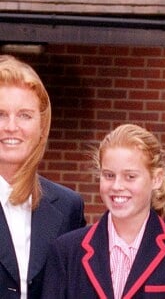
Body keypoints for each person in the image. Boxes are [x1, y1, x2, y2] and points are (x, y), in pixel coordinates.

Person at [41, 123, 165, 298]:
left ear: (156, 179)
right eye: (109, 175)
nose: (117, 186)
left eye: (130, 177)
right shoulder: (67, 251)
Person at [0, 54, 86, 299]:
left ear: (42, 125)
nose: (11, 127)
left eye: (25, 115)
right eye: (1, 114)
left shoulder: (69, 206)